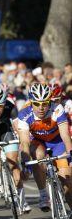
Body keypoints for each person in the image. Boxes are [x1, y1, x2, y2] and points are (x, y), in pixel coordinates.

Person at [18, 83, 72, 211]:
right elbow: (25, 142)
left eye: (45, 103)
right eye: (37, 103)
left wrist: (71, 153)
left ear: (50, 101)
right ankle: (43, 195)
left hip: (57, 142)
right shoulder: (24, 114)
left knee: (67, 183)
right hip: (38, 142)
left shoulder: (57, 108)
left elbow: (65, 135)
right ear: (31, 102)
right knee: (37, 155)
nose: (41, 107)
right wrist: (25, 163)